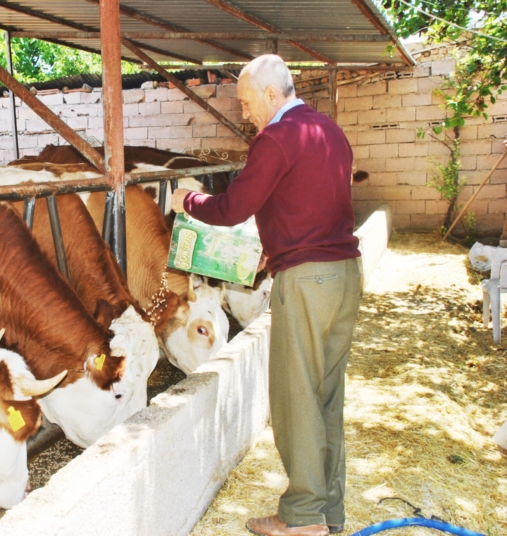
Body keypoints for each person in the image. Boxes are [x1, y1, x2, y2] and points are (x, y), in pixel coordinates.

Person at [172, 55, 362, 536]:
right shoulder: (329, 131)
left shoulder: (276, 137)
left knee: (296, 397)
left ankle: (300, 518)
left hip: (307, 281)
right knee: (327, 397)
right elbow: (308, 202)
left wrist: (188, 200)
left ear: (272, 96)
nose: (244, 112)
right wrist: (272, 248)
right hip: (344, 275)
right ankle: (328, 512)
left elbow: (234, 207)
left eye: (247, 101)